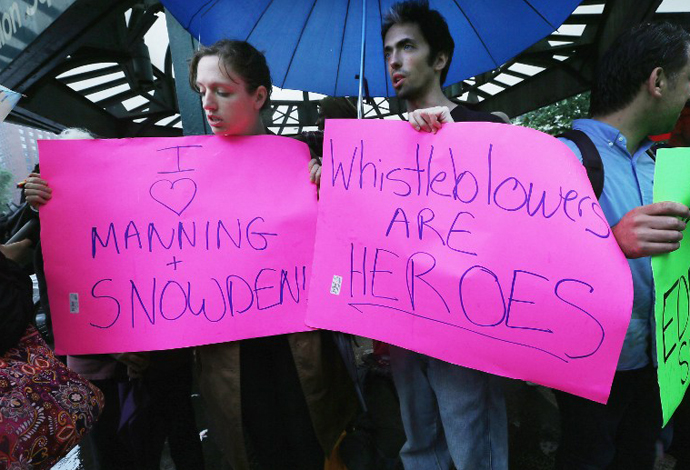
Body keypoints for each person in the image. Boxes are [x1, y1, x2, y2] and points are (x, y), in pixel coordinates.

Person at [312, 2, 508, 469]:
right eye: (386, 52)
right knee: (418, 441)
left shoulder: (485, 126)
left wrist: (456, 138)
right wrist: (331, 182)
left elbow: (508, 221)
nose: (394, 61)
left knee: (470, 441)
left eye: (407, 47)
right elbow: (364, 226)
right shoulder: (379, 144)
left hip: (465, 322)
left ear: (439, 58)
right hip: (402, 322)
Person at [188, 39, 357, 470]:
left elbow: (344, 254)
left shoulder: (301, 163)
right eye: (201, 91)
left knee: (308, 440)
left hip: (297, 345)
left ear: (259, 96)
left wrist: (331, 197)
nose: (209, 104)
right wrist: (59, 202)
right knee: (257, 445)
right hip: (229, 348)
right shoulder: (185, 168)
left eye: (223, 91)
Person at [23, 128, 204, 470]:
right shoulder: (48, 219)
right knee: (112, 451)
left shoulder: (138, 202)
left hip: (158, 358)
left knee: (177, 435)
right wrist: (36, 212)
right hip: (97, 367)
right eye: (67, 161)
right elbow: (57, 298)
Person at [556, 22, 690, 470]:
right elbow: (519, 271)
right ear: (658, 81)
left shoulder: (660, 168)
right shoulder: (561, 159)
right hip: (588, 369)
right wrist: (609, 244)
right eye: (688, 81)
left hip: (656, 362)